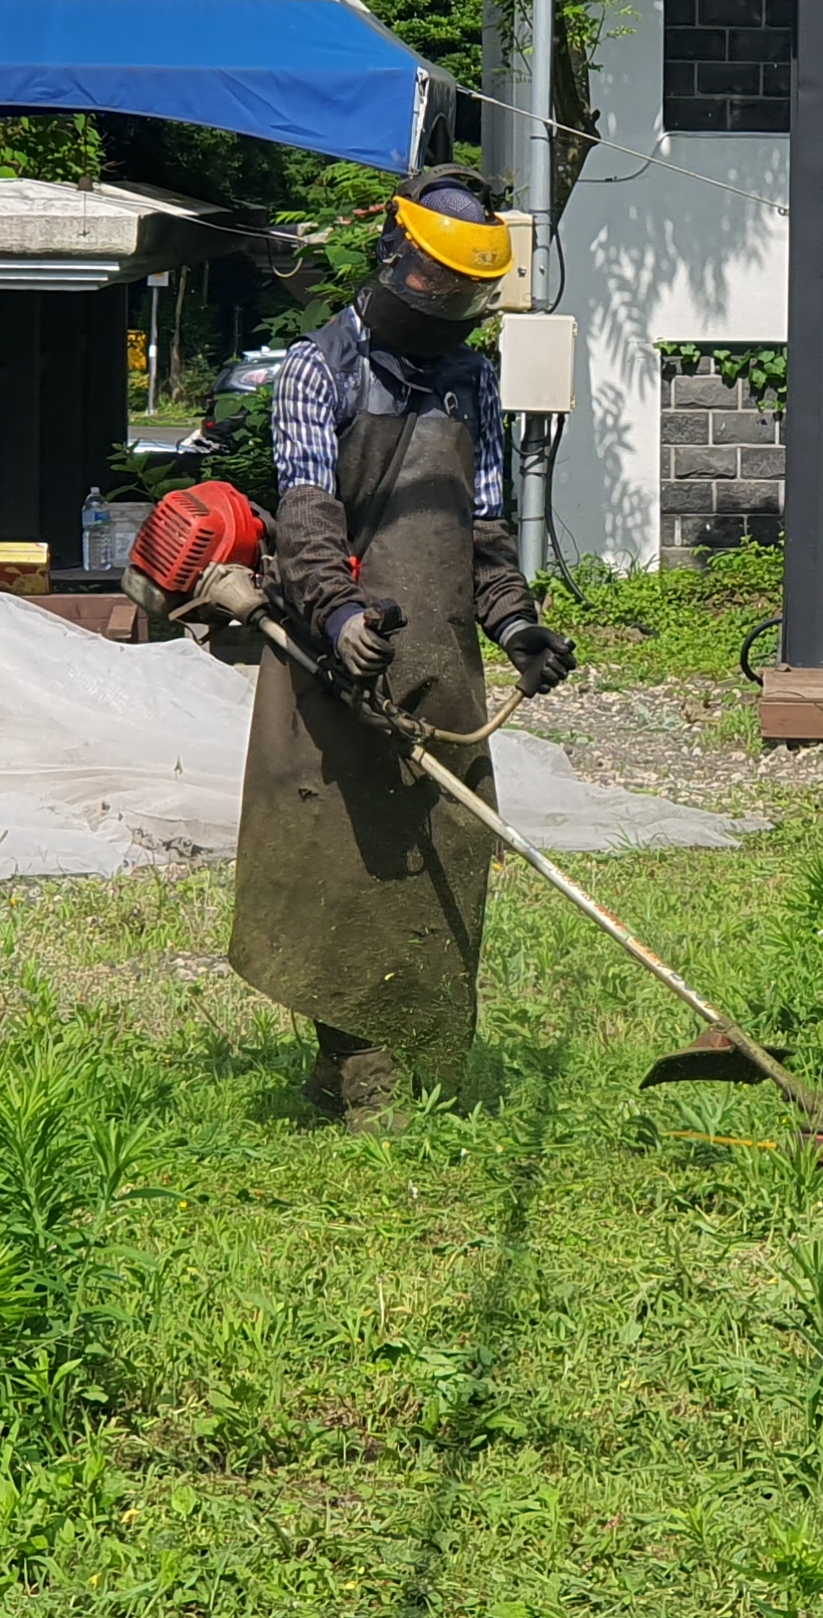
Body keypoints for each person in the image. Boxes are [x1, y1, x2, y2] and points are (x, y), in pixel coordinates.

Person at [229, 170, 579, 1118]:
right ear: (394, 258)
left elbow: (483, 533)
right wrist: (340, 618)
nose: (444, 305)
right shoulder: (318, 371)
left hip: (441, 672)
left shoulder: (472, 381)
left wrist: (516, 627)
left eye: (464, 294)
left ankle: (417, 1056)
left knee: (440, 852)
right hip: (328, 664)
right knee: (342, 862)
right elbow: (306, 523)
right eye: (433, 283)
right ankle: (354, 1065)